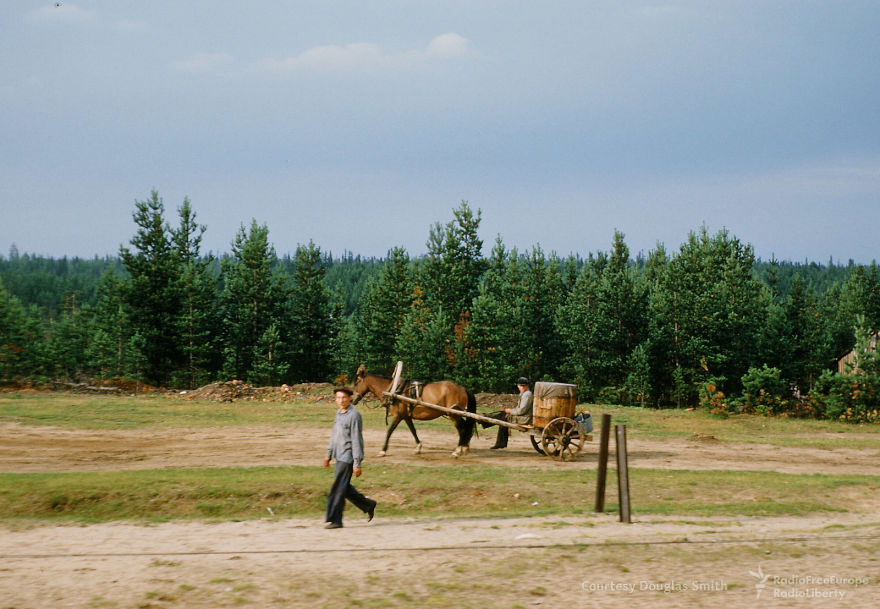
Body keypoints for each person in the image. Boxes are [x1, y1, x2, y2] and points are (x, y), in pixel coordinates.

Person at [323, 386, 377, 529]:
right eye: (338, 398)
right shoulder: (339, 413)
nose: (341, 400)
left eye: (344, 398)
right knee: (344, 487)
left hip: (347, 457)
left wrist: (357, 463)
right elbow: (335, 436)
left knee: (338, 489)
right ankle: (368, 505)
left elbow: (356, 439)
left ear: (350, 398)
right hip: (338, 456)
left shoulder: (354, 415)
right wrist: (328, 455)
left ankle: (336, 520)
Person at [487, 377, 533, 449]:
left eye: (524, 386)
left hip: (524, 418)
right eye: (521, 386)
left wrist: (510, 411)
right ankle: (501, 443)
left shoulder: (527, 394)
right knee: (503, 416)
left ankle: (485, 422)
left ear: (527, 386)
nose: (522, 387)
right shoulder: (524, 394)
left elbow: (522, 410)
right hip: (523, 416)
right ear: (518, 385)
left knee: (503, 417)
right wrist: (509, 410)